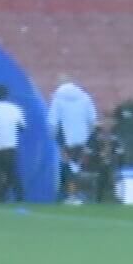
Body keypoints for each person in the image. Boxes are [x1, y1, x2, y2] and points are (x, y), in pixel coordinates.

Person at [47, 74, 99, 204]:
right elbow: (92, 120)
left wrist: (53, 138)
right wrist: (89, 139)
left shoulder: (57, 98)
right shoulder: (85, 97)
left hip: (66, 137)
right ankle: (82, 194)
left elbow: (53, 121)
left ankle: (72, 195)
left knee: (69, 166)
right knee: (78, 166)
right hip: (82, 137)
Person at [0, 85, 26, 203]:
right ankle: (19, 196)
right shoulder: (15, 108)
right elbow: (22, 126)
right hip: (11, 145)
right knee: (12, 173)